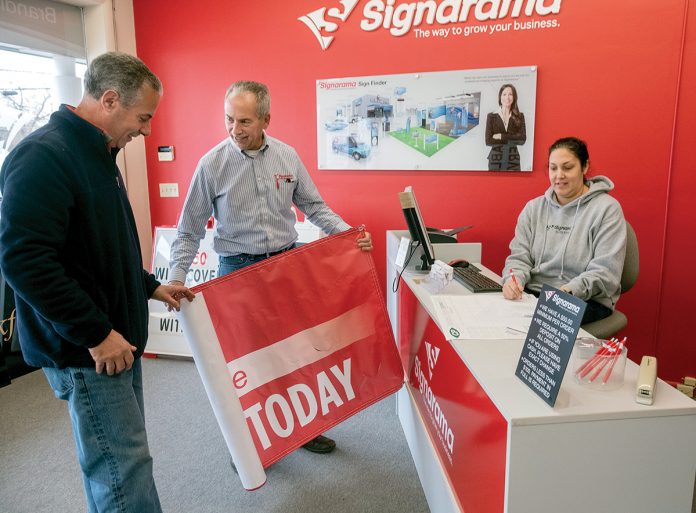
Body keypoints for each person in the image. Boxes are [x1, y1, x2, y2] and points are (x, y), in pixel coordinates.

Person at [0, 52, 195, 513]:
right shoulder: (43, 157)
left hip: (117, 340)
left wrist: (149, 285)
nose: (146, 130)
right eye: (143, 117)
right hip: (89, 351)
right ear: (110, 100)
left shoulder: (101, 152)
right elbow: (23, 260)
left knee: (120, 464)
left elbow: (105, 247)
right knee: (123, 472)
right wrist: (96, 334)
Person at [169, 80, 372, 455]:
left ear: (266, 119)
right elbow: (188, 230)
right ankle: (250, 447)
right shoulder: (212, 164)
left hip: (284, 265)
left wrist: (349, 234)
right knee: (244, 365)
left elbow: (316, 207)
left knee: (295, 354)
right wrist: (176, 280)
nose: (234, 129)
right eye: (229, 119)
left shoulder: (287, 157)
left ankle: (303, 429)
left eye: (244, 121)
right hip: (236, 272)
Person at [502, 137, 627, 324]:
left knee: (537, 326)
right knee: (498, 316)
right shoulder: (534, 208)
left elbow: (605, 272)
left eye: (567, 168)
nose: (559, 175)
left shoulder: (607, 209)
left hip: (585, 298)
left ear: (584, 167)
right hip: (533, 294)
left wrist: (566, 292)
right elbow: (519, 257)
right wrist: (514, 281)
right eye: (553, 168)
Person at [485, 83, 527, 170]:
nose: (507, 97)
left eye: (510, 94)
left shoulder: (519, 116)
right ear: (500, 97)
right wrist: (513, 138)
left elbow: (522, 139)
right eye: (504, 94)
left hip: (513, 159)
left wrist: (501, 136)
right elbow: (488, 141)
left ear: (514, 97)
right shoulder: (491, 116)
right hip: (495, 159)